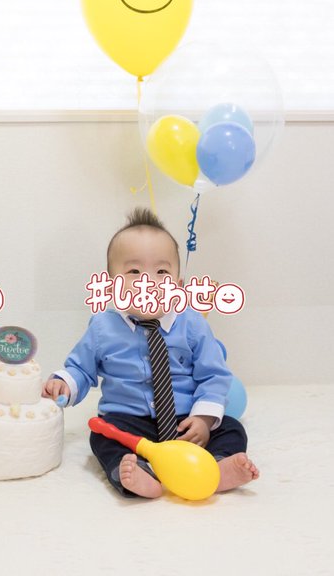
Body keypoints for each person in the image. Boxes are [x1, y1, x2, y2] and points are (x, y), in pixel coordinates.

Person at [43, 207, 259, 498]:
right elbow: (82, 368)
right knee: (102, 435)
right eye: (134, 271)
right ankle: (135, 473)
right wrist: (65, 384)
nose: (149, 282)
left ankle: (218, 467)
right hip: (129, 421)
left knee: (231, 428)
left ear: (178, 286)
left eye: (162, 272)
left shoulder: (192, 324)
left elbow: (214, 375)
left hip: (185, 420)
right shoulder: (103, 327)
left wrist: (204, 420)